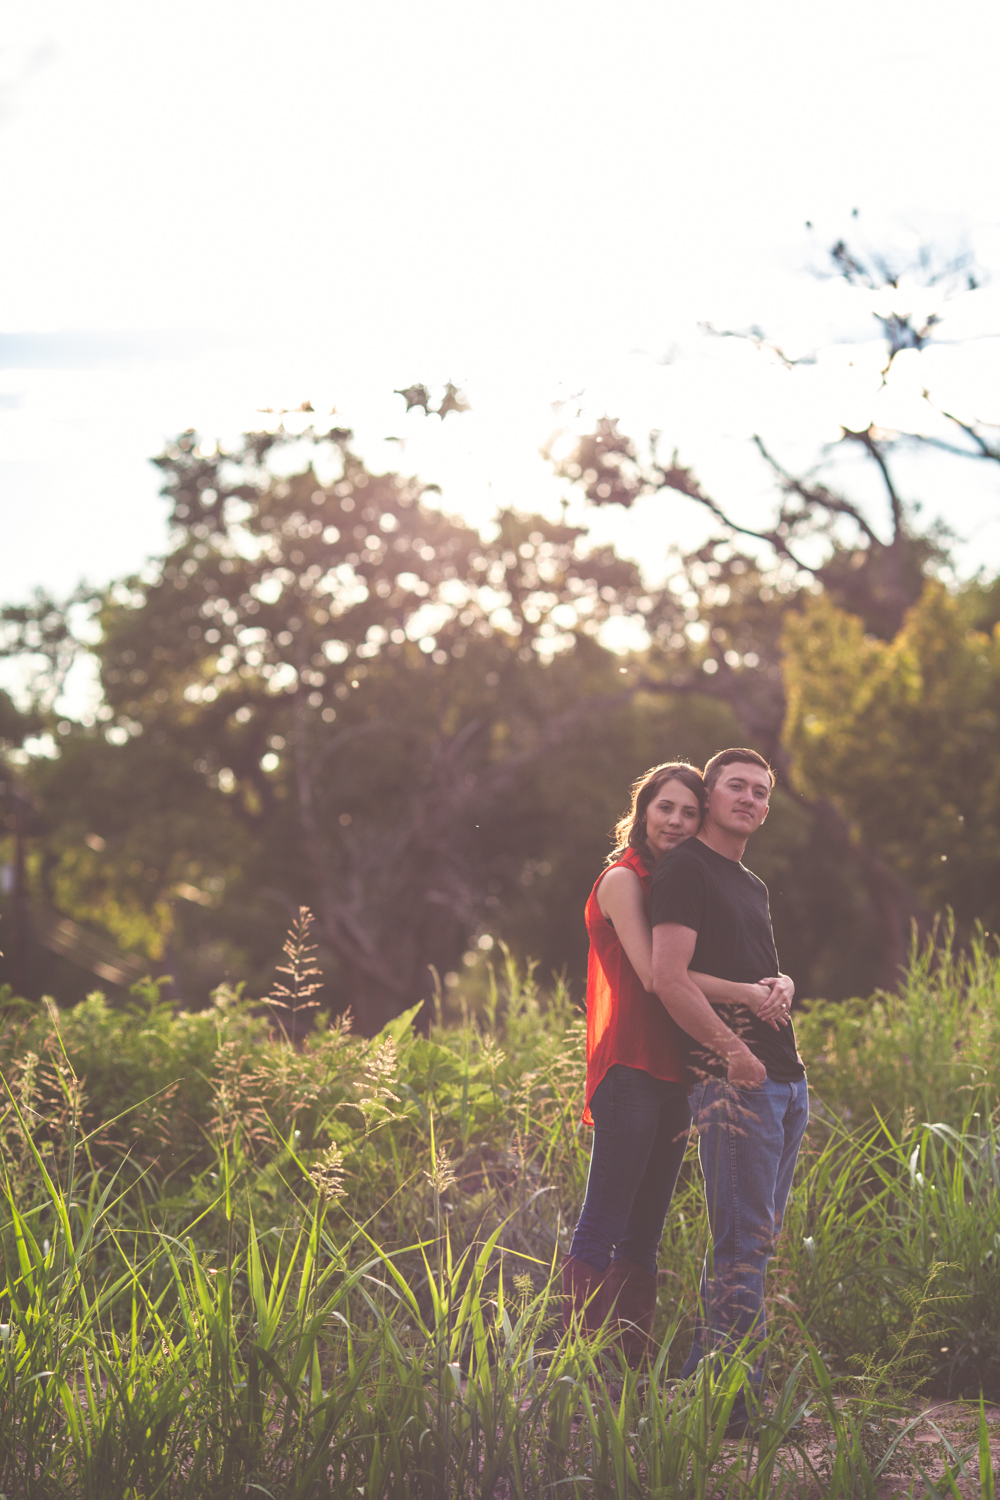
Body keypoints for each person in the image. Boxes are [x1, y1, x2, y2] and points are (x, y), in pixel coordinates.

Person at [564, 761, 791, 1367]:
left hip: (676, 1071)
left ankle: (626, 1370)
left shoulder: (678, 881)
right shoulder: (624, 879)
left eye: (690, 812)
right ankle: (576, 1371)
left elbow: (719, 954)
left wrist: (776, 980)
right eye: (666, 808)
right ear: (643, 812)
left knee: (644, 1234)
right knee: (604, 1220)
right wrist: (748, 993)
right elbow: (655, 976)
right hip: (631, 1067)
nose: (677, 821)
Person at [650, 747, 808, 1434]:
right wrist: (734, 1053)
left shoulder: (751, 883)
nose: (749, 799)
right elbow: (669, 976)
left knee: (756, 1242)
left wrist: (786, 985)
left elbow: (758, 974)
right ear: (709, 796)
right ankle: (735, 1413)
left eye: (761, 792)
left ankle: (696, 1390)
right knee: (743, 1246)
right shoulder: (686, 870)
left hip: (786, 1081)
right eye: (736, 787)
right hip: (734, 1082)